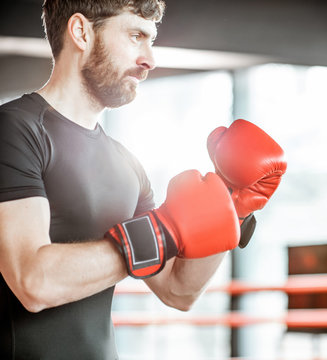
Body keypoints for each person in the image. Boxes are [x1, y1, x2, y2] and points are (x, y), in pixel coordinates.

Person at [0, 1, 286, 359]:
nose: (149, 59)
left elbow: (178, 290)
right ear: (81, 32)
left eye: (151, 40)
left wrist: (232, 207)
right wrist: (162, 233)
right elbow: (33, 282)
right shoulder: (14, 131)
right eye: (136, 36)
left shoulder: (125, 163)